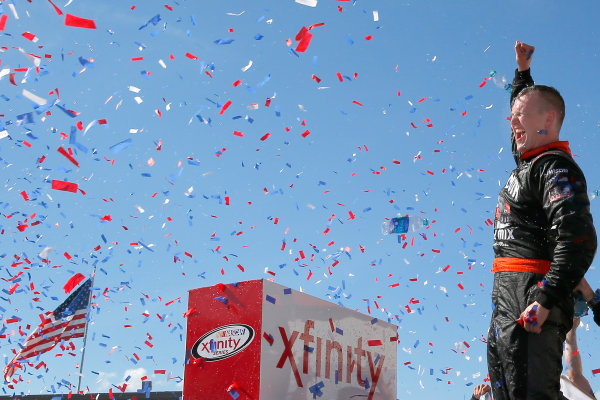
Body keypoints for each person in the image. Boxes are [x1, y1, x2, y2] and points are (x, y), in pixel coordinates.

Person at [486, 40, 597, 400]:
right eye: (512, 115)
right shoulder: (529, 166)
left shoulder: (555, 168)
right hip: (505, 300)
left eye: (522, 115)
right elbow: (521, 123)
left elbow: (578, 238)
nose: (513, 122)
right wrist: (522, 72)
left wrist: (546, 298)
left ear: (549, 121)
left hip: (532, 296)